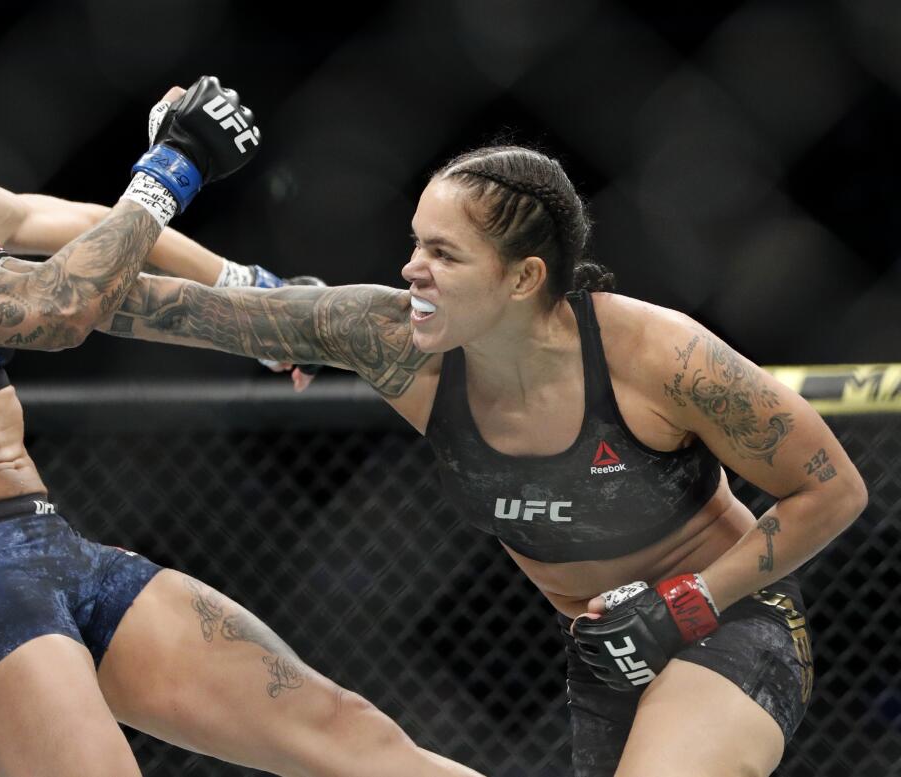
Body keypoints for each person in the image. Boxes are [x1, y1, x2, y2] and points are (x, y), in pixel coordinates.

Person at [0, 16, 486, 777]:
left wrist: (252, 292)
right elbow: (57, 308)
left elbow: (93, 230)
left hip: (57, 547)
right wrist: (170, 165)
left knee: (347, 730)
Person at [102, 143, 870, 776]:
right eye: (414, 243)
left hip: (728, 620)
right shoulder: (394, 343)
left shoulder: (656, 354)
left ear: (523, 277)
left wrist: (682, 605)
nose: (411, 269)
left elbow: (831, 490)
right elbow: (175, 309)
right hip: (603, 654)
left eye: (443, 253)